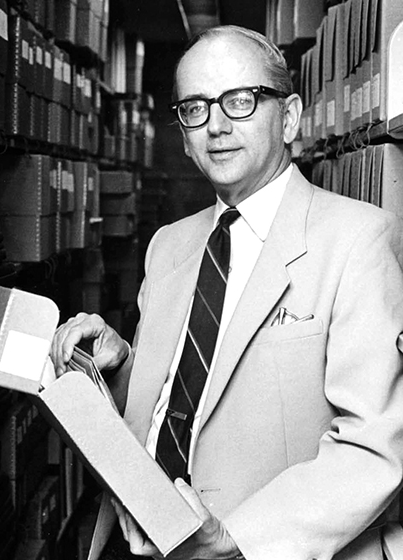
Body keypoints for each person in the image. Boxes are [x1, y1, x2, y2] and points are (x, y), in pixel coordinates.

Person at [50, 25, 403, 560]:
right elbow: (183, 397)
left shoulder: (356, 240)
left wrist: (236, 540)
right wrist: (120, 366)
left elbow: (375, 443)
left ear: (288, 118)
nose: (216, 126)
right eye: (195, 107)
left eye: (239, 101)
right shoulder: (169, 246)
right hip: (140, 540)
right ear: (184, 137)